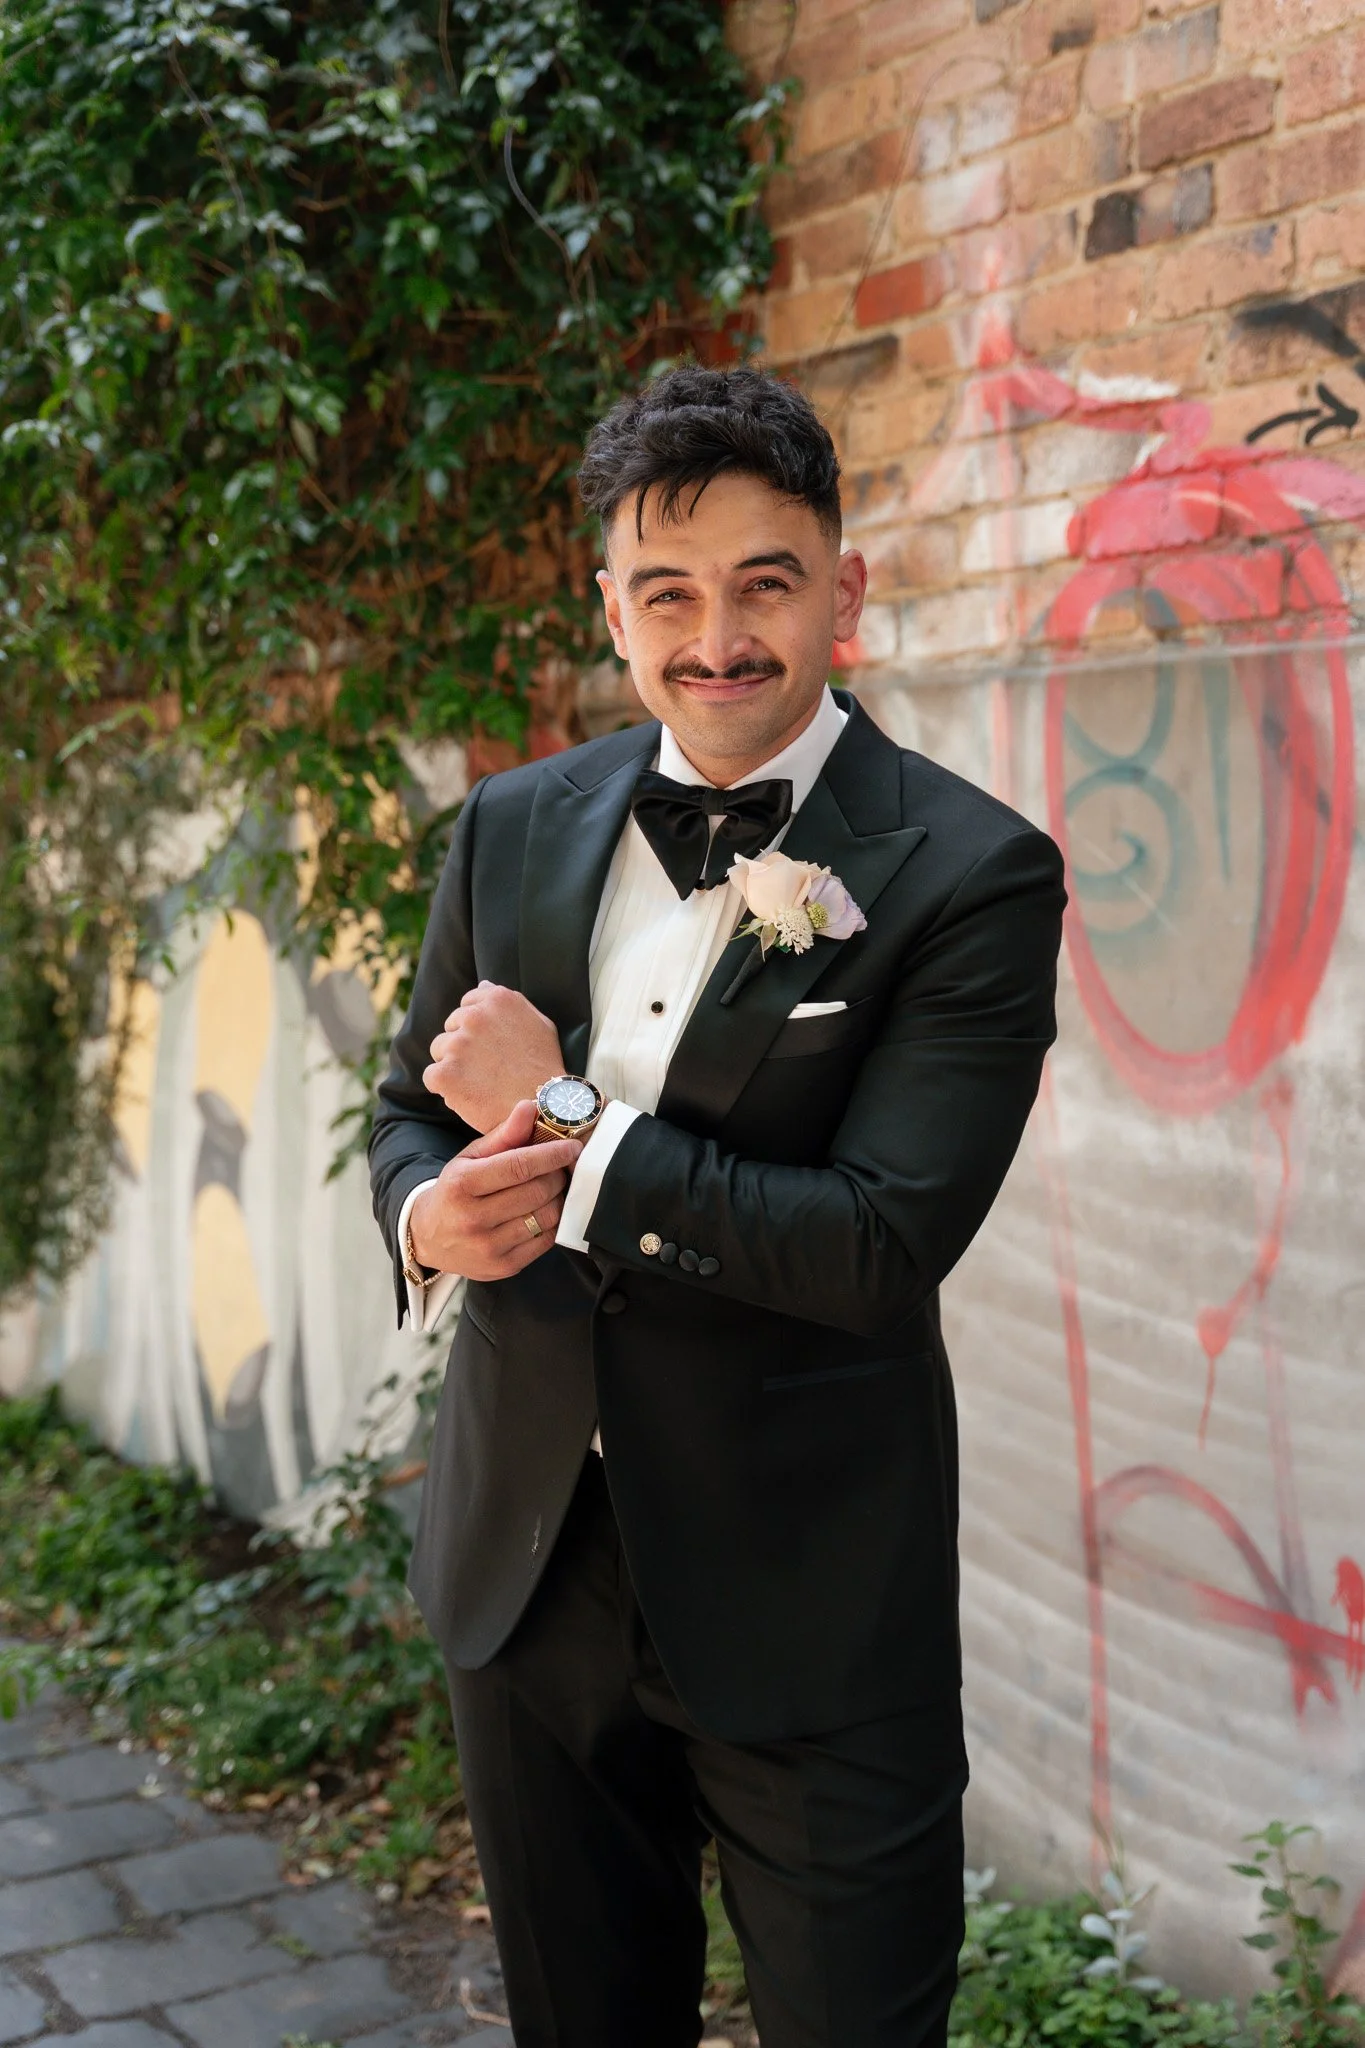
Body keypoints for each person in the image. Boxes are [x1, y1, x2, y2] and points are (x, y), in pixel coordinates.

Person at [368, 365, 1066, 2048]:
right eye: (667, 592)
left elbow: (875, 1243)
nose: (720, 637)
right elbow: (407, 1112)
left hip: (813, 1598)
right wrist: (424, 1224)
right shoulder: (514, 825)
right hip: (532, 1572)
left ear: (845, 584)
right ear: (611, 606)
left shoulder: (970, 872)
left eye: (768, 580)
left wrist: (556, 1113)